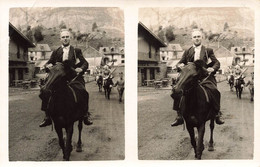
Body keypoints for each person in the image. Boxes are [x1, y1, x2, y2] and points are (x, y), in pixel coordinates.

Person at [39, 29, 93, 127]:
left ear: (70, 38)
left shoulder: (76, 51)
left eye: (67, 37)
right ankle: (47, 116)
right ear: (60, 39)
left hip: (73, 77)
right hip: (59, 78)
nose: (65, 39)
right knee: (45, 90)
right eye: (63, 37)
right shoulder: (56, 51)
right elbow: (50, 62)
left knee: (83, 92)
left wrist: (81, 69)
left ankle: (85, 115)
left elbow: (85, 63)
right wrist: (47, 66)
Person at [171, 29, 224, 126]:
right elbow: (181, 62)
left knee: (215, 91)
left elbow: (217, 62)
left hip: (204, 77)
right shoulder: (188, 51)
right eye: (194, 37)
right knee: (177, 89)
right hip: (190, 77)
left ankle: (217, 113)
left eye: (198, 36)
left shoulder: (208, 51)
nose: (197, 39)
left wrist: (212, 68)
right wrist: (179, 65)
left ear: (202, 38)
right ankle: (179, 115)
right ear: (192, 39)